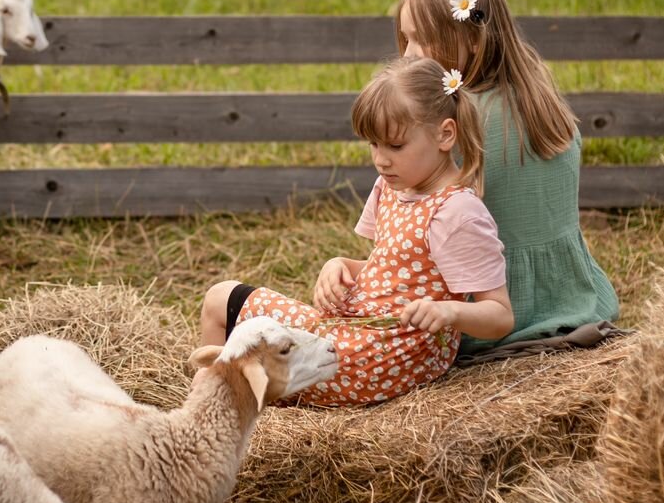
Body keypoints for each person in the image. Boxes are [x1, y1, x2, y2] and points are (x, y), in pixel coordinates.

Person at [199, 57, 513, 408]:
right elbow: (394, 269)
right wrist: (342, 265)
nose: (381, 159)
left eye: (395, 146)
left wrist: (450, 312)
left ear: (445, 134)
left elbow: (499, 314)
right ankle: (227, 398)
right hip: (362, 342)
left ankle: (208, 411)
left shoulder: (458, 212)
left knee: (219, 300)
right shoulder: (393, 187)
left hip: (370, 361)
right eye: (373, 144)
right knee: (252, 336)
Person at [395, 0, 619, 357]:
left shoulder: (455, 123)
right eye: (406, 39)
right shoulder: (543, 102)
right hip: (571, 299)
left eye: (422, 40)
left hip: (487, 315)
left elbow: (409, 229)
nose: (410, 55)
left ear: (474, 39)